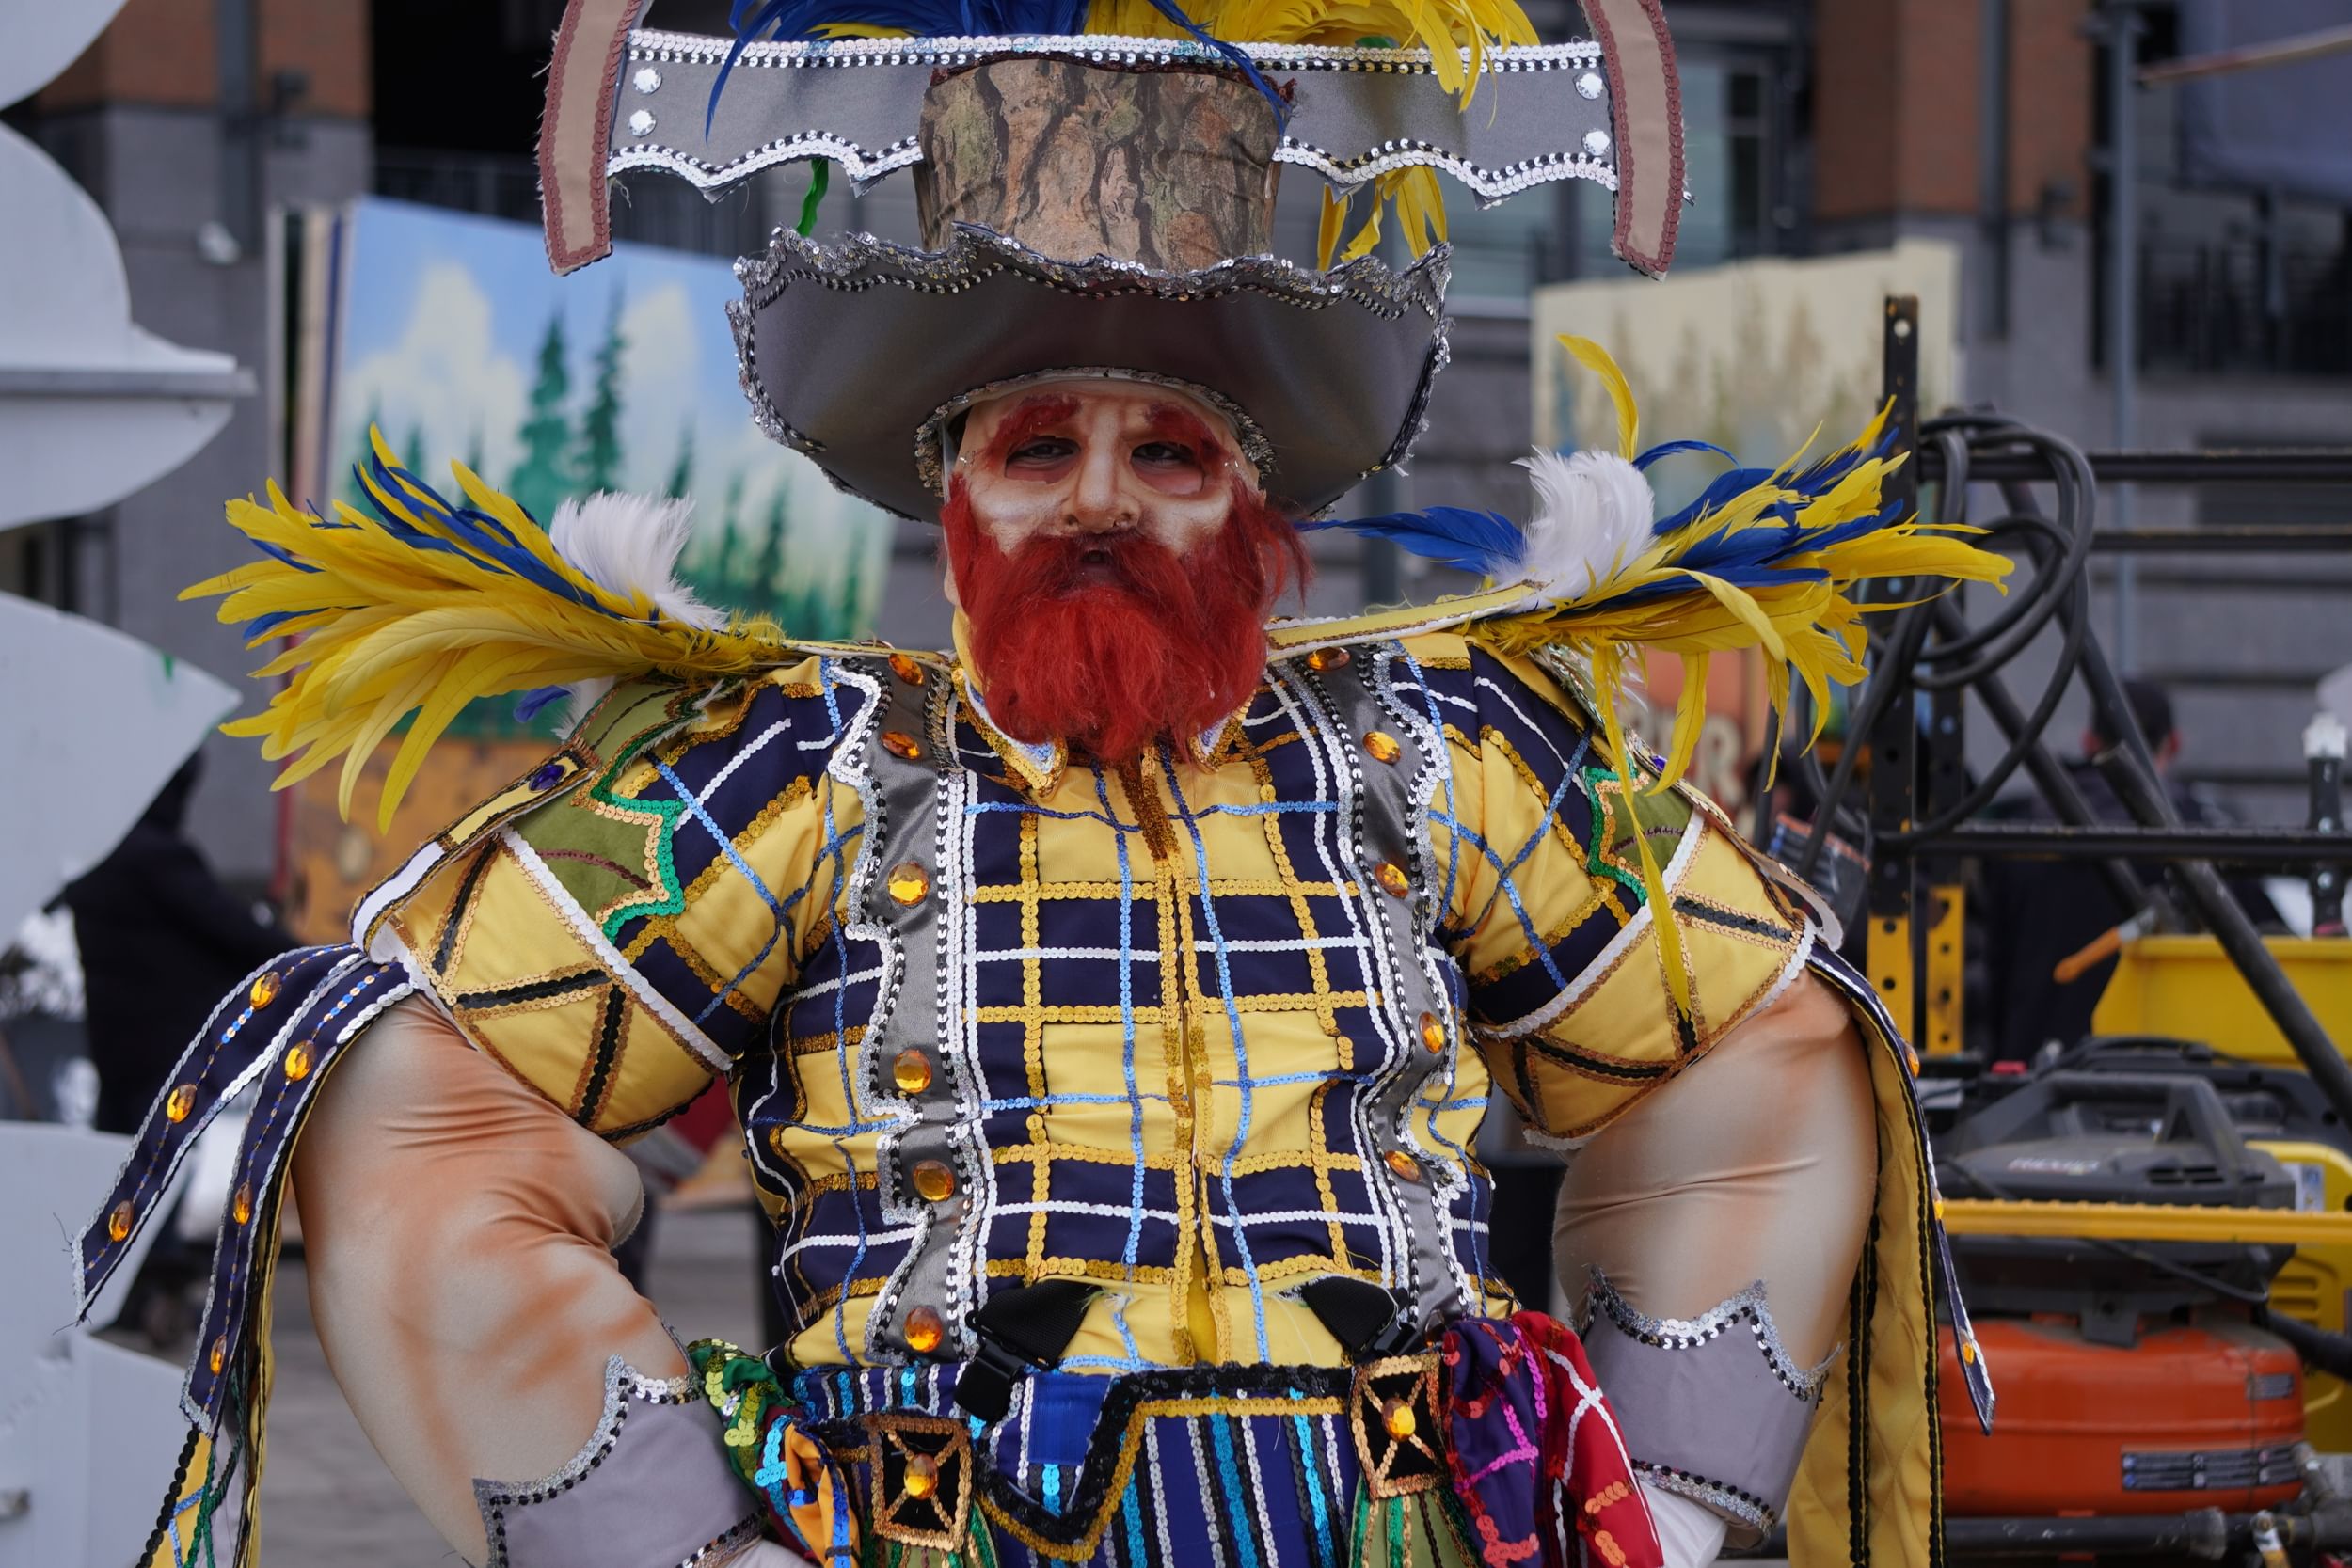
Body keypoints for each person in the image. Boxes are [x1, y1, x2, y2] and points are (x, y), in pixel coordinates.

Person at [78, 8, 2008, 1568]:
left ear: (1248, 502)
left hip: (1407, 1522)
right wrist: (681, 1541)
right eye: (1037, 442)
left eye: (1164, 446)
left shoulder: (1440, 743)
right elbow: (429, 1110)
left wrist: (1665, 1497)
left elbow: (1749, 1040)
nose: (1097, 494)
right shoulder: (800, 764)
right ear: (953, 496)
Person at [1975, 678, 2279, 1063]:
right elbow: (2272, 958)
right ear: (2174, 744)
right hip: (2176, 1077)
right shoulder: (2206, 839)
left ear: (2088, 742)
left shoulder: (2018, 834)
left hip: (2029, 1077)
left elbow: (1987, 975)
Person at [62, 754, 298, 1134]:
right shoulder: (156, 857)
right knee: (155, 1171)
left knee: (120, 1166)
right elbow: (231, 929)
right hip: (167, 1053)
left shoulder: (95, 854)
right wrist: (310, 959)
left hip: (116, 1049)